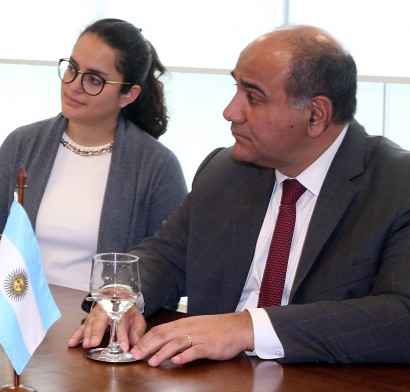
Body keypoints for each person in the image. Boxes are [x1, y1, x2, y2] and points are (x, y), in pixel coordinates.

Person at [69, 25, 410, 364]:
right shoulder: (227, 170)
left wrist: (247, 328)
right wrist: (127, 299)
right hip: (208, 378)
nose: (230, 112)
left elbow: (401, 316)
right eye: (236, 88)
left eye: (253, 97)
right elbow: (169, 255)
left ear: (316, 115)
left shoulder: (396, 183)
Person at [0, 19, 187, 291]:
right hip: (17, 319)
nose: (73, 85)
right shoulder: (21, 145)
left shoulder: (158, 167)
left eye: (94, 79)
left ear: (128, 94)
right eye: (72, 68)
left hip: (102, 326)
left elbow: (169, 274)